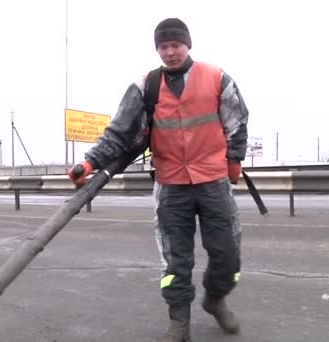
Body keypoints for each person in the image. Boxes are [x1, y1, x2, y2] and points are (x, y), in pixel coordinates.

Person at [68, 17, 248, 341]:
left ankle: (216, 298)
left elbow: (237, 121)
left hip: (213, 182)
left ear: (187, 45)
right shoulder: (146, 85)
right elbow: (119, 131)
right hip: (171, 187)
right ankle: (179, 322)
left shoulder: (217, 78)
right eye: (163, 47)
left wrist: (234, 159)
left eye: (175, 45)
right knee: (175, 261)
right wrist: (90, 161)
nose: (169, 52)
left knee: (228, 255)